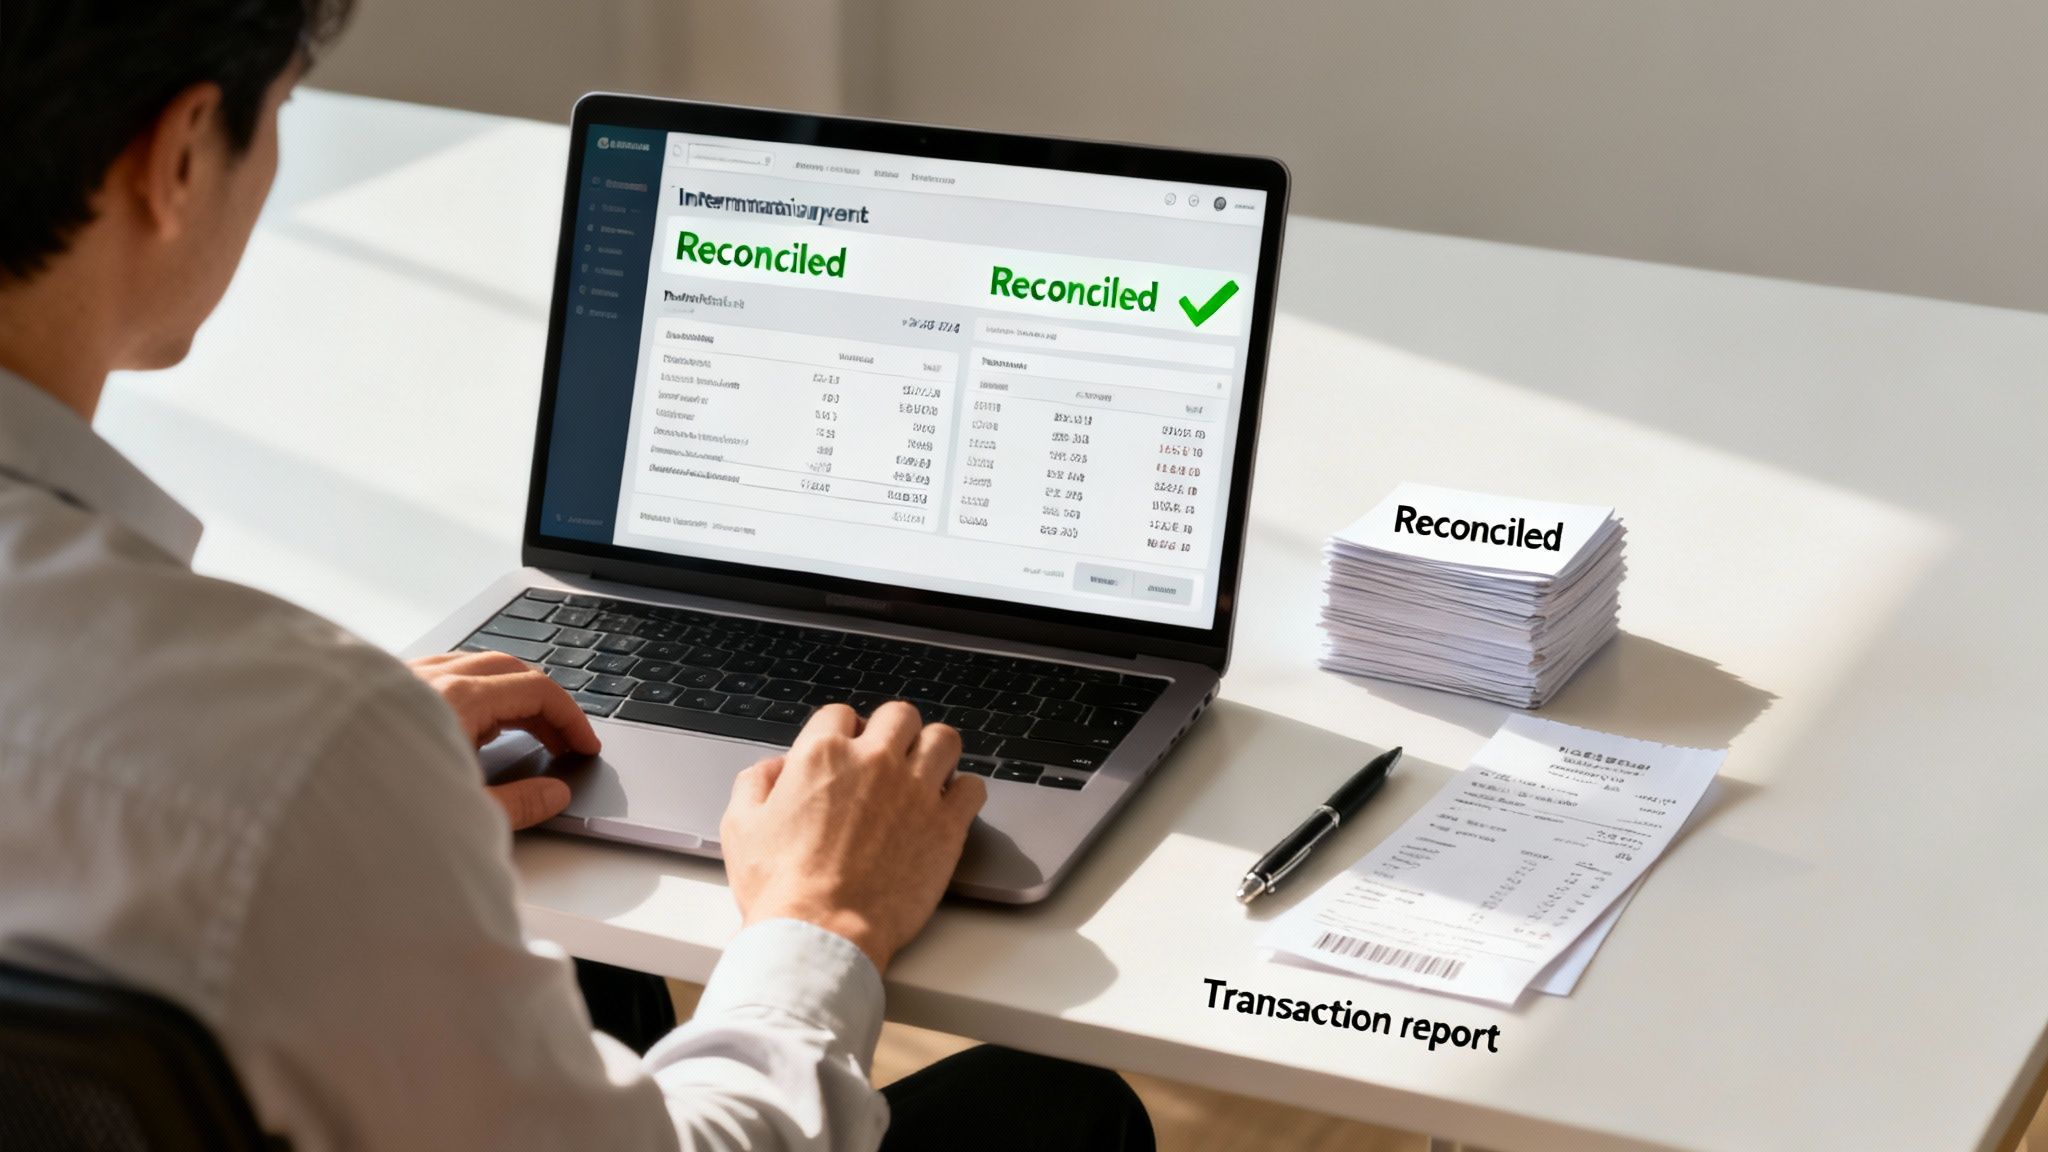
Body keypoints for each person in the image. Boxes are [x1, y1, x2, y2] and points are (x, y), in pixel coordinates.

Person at [0, 3, 1154, 1150]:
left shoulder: (262, 745)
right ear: (183, 151)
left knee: (591, 980)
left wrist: (347, 772)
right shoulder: (290, 757)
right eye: (282, 111)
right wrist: (823, 919)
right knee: (1061, 1107)